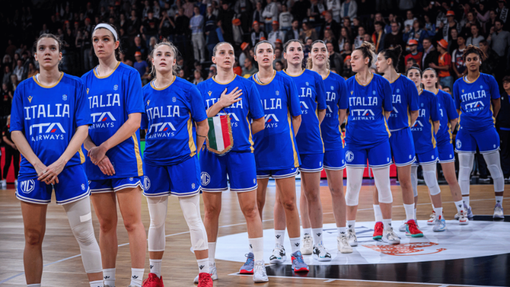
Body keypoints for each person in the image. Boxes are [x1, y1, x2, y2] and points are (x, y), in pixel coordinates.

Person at [10, 34, 103, 287]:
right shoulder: (23, 89)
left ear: (60, 55)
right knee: (32, 237)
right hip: (33, 170)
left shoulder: (75, 85)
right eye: (42, 48)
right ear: (36, 55)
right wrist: (39, 165)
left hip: (70, 167)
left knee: (84, 234)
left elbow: (83, 129)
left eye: (53, 48)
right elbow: (16, 131)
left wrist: (61, 161)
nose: (48, 52)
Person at [140, 42, 213, 287]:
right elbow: (138, 129)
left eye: (167, 54)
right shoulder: (143, 93)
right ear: (152, 60)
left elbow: (202, 125)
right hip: (153, 163)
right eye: (158, 54)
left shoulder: (188, 89)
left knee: (192, 217)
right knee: (156, 222)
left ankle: (204, 273)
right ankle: (155, 275)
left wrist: (195, 150)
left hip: (184, 161)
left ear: (174, 61)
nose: (163, 58)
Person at [81, 23, 147, 287]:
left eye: (106, 39)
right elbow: (80, 127)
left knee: (132, 224)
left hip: (123, 157)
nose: (100, 44)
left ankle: (136, 281)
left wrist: (103, 148)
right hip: (95, 161)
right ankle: (107, 281)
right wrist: (92, 151)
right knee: (105, 225)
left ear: (116, 44)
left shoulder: (129, 75)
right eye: (96, 39)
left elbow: (134, 122)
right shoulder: (83, 81)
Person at [196, 42, 268, 283]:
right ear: (213, 59)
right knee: (210, 211)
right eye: (222, 53)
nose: (227, 56)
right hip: (210, 155)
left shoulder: (247, 86)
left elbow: (259, 122)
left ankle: (259, 264)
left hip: (240, 154)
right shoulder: (201, 88)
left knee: (250, 209)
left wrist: (240, 136)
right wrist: (220, 104)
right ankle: (209, 267)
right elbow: (197, 121)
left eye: (230, 53)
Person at [249, 40, 309, 271]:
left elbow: (297, 117)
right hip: (257, 153)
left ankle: (295, 253)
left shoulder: (285, 81)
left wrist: (286, 138)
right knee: (256, 206)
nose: (265, 55)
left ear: (274, 55)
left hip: (282, 152)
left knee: (290, 203)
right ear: (255, 57)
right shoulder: (247, 84)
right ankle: (254, 254)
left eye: (269, 51)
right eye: (260, 51)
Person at [344, 42, 399, 246]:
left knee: (384, 187)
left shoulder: (383, 83)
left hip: (378, 141)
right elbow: (344, 114)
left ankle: (388, 229)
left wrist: (374, 125)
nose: (351, 60)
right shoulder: (347, 84)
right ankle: (350, 231)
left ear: (367, 60)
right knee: (352, 188)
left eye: (355, 57)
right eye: (351, 57)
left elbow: (387, 111)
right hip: (354, 142)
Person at [280, 39, 329, 258]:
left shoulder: (314, 78)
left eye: (300, 49)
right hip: (285, 145)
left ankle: (318, 243)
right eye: (292, 49)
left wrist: (309, 128)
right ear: (285, 55)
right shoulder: (277, 78)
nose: (296, 52)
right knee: (283, 199)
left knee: (313, 194)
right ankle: (279, 246)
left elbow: (321, 111)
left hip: (310, 142)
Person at [373, 46, 423, 237]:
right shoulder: (376, 83)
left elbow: (415, 112)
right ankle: (379, 223)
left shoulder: (407, 84)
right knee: (380, 183)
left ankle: (411, 221)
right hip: (382, 136)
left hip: (402, 134)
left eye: (379, 59)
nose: (376, 63)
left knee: (406, 181)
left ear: (389, 61)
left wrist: (405, 126)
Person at [308, 40, 352, 253]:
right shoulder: (303, 79)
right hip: (308, 141)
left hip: (333, 140)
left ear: (328, 53)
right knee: (309, 192)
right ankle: (307, 236)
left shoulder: (338, 81)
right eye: (315, 50)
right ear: (310, 54)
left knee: (337, 189)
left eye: (322, 49)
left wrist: (332, 127)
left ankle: (342, 235)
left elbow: (342, 113)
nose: (319, 53)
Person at [453, 45, 505, 219]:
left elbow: (497, 102)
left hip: (486, 129)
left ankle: (499, 205)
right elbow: (456, 108)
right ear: (464, 62)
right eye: (469, 59)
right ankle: (465, 207)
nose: (472, 62)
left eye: (475, 58)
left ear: (480, 61)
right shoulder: (458, 84)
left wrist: (491, 119)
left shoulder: (489, 80)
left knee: (495, 168)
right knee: (464, 170)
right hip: (466, 131)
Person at [421, 68, 469, 224]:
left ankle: (462, 211)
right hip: (428, 144)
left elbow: (454, 119)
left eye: (431, 76)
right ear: (422, 80)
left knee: (451, 178)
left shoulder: (445, 97)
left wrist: (446, 132)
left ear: (436, 79)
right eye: (425, 76)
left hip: (443, 142)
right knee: (431, 180)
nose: (428, 79)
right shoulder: (419, 97)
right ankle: (436, 211)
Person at [406, 67, 446, 232]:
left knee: (431, 181)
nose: (414, 77)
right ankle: (412, 220)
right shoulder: (404, 96)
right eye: (411, 75)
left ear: (421, 79)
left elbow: (436, 122)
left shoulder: (430, 97)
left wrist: (431, 140)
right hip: (408, 146)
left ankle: (439, 217)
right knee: (411, 185)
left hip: (426, 146)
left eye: (417, 75)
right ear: (406, 78)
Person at [2, 115, 20, 187]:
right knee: (7, 163)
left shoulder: (16, 128)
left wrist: (16, 144)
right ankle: (4, 179)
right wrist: (11, 144)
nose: (10, 120)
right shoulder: (5, 128)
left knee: (16, 164)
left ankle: (16, 179)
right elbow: (4, 138)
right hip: (8, 148)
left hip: (16, 148)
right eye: (9, 119)